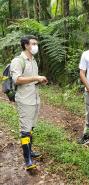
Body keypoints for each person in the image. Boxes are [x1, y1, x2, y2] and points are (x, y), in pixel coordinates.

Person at [10, 35, 48, 170]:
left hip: (35, 99)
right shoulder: (18, 61)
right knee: (25, 130)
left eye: (36, 44)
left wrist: (39, 81)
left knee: (31, 128)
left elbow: (31, 80)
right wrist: (35, 77)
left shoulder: (33, 61)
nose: (35, 46)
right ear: (26, 45)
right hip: (25, 100)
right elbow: (17, 79)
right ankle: (28, 160)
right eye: (33, 44)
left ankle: (30, 151)